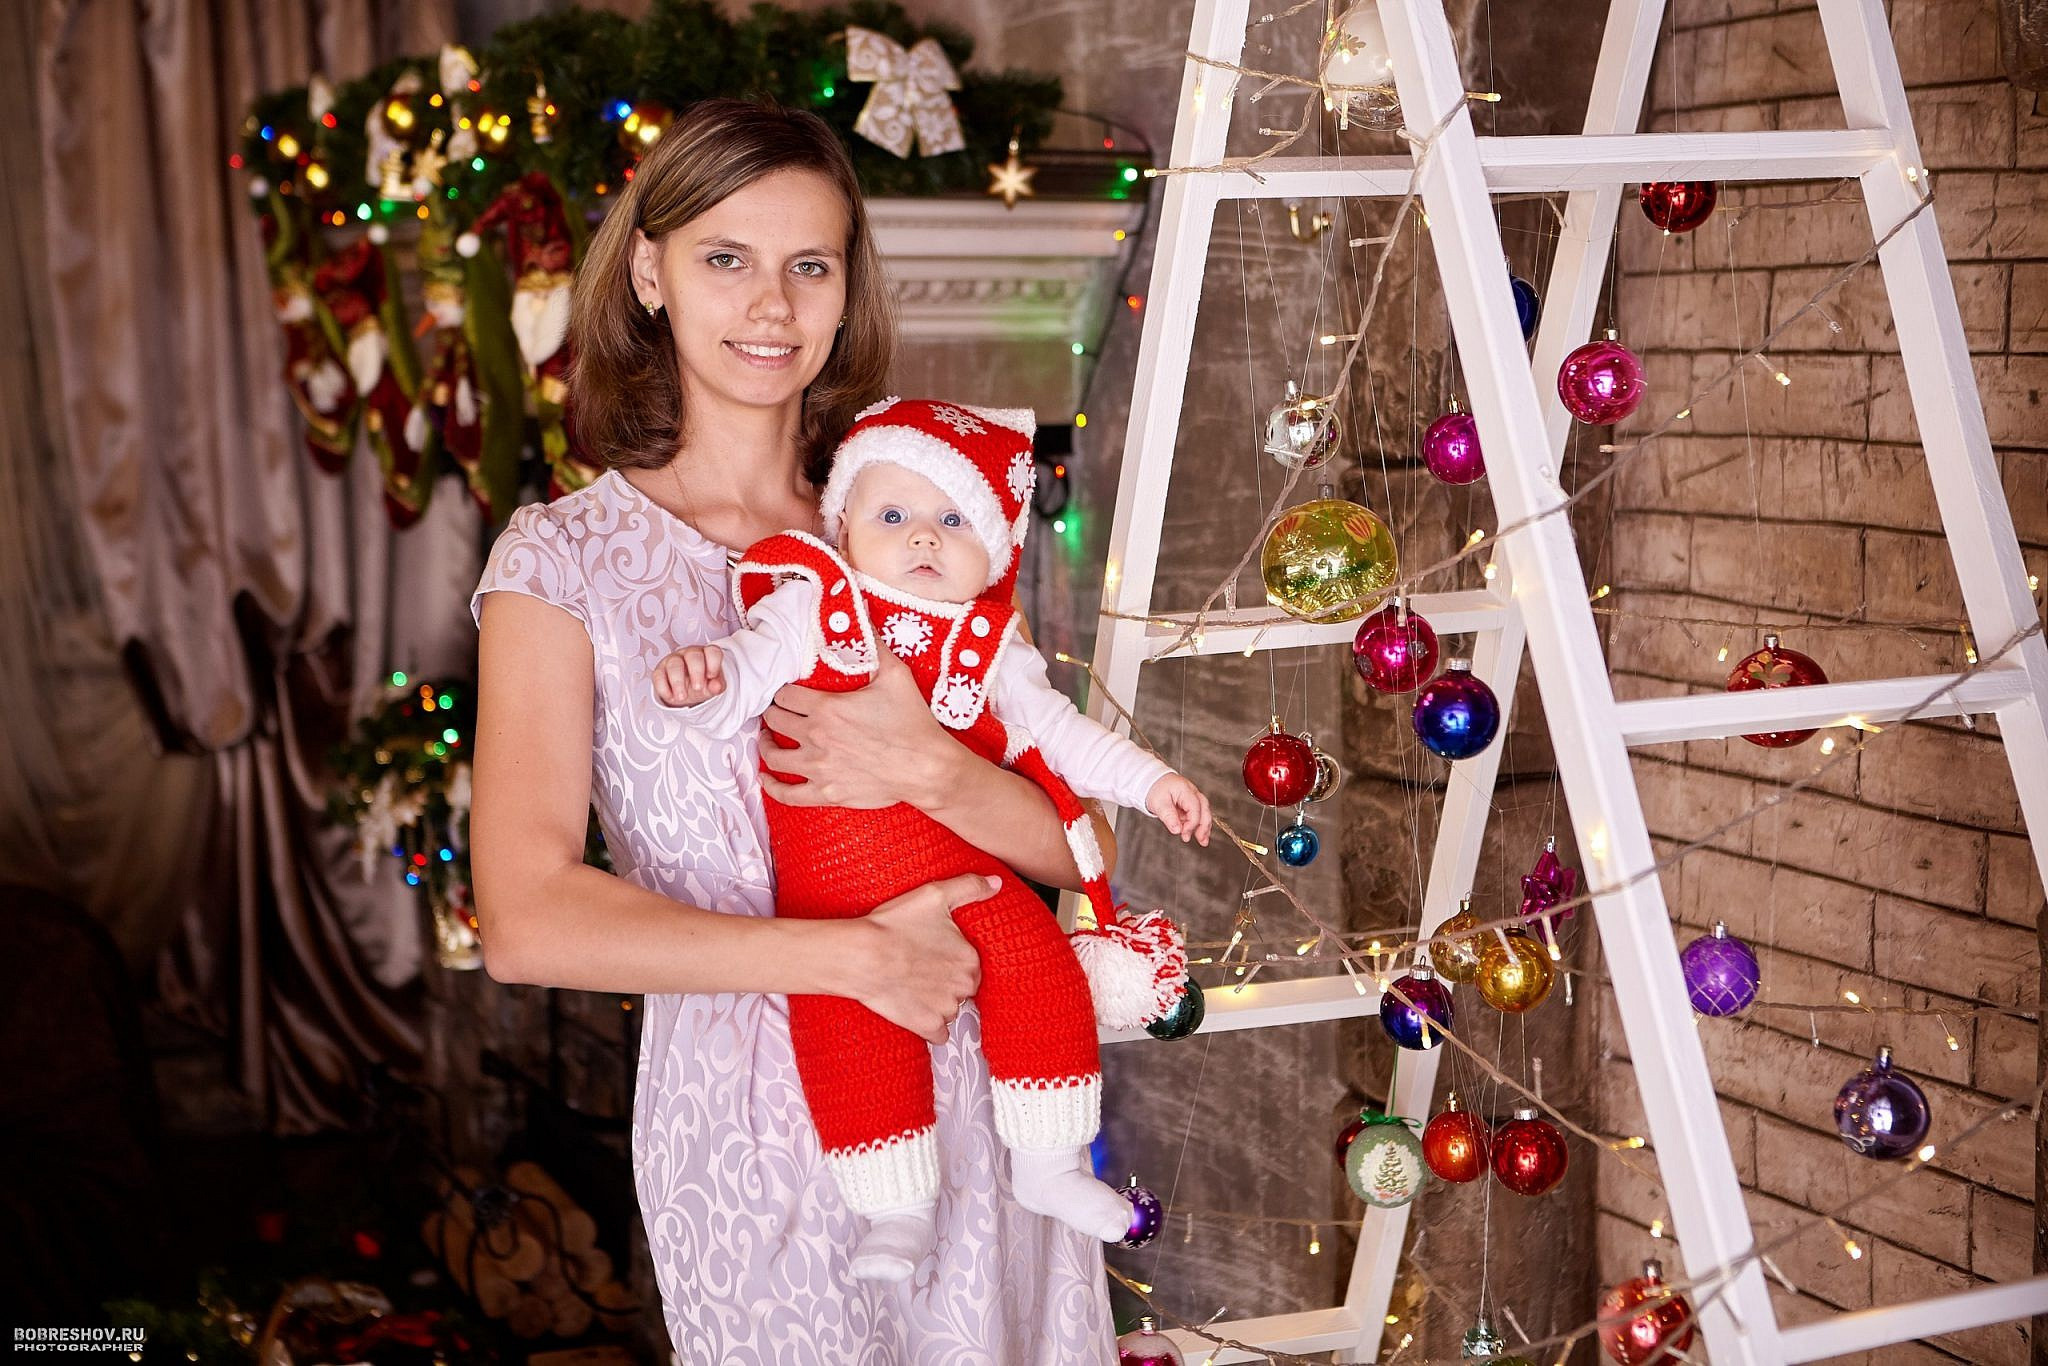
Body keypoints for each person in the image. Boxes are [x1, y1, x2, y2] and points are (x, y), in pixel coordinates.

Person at [467, 101, 1118, 1362]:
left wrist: (925, 767)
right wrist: (854, 960)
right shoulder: (561, 563)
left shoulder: (915, 527)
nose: (771, 306)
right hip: (753, 1125)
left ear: (842, 290)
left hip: (988, 1076)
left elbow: (1070, 848)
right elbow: (524, 919)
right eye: (726, 259)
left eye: (807, 266)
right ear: (648, 271)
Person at [653, 396, 1211, 1281]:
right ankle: (895, 1213)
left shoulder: (992, 646)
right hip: (830, 903)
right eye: (893, 516)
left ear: (990, 547)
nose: (921, 538)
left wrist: (1152, 782)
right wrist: (707, 680)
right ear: (843, 528)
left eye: (952, 520)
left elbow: (1061, 738)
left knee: (1043, 969)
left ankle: (1050, 1166)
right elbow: (748, 673)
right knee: (849, 1038)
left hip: (967, 882)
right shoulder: (815, 605)